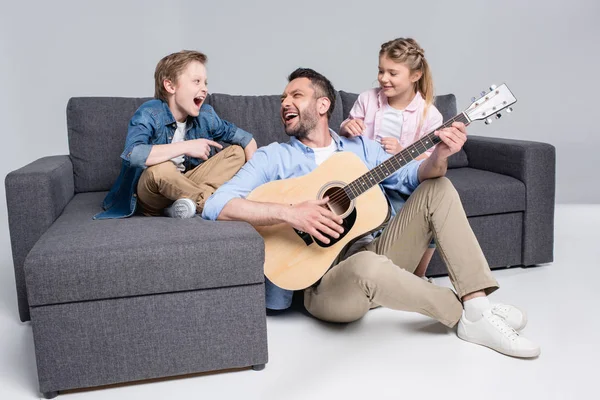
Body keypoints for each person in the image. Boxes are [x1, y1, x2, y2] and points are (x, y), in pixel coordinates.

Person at [202, 67, 540, 358]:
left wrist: (439, 155)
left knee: (439, 188)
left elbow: (416, 177)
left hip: (378, 254)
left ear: (323, 105)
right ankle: (466, 315)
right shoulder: (273, 157)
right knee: (366, 265)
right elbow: (217, 204)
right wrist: (291, 213)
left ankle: (478, 305)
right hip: (324, 287)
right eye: (282, 99)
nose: (285, 103)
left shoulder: (361, 148)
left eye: (296, 95)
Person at [94, 50, 257, 220]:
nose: (205, 89)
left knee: (236, 153)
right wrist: (187, 147)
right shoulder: (149, 113)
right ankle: (212, 203)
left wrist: (256, 179)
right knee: (161, 169)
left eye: (205, 83)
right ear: (170, 86)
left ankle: (181, 206)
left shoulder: (206, 116)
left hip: (184, 182)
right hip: (152, 191)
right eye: (196, 82)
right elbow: (133, 155)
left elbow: (246, 139)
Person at [340, 38, 442, 278]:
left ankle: (417, 276)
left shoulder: (429, 114)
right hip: (365, 177)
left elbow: (430, 158)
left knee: (426, 219)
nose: (383, 78)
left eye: (392, 73)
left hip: (399, 180)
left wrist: (403, 150)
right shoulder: (368, 99)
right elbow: (345, 129)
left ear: (415, 76)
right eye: (381, 71)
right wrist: (348, 125)